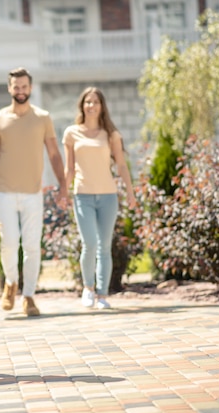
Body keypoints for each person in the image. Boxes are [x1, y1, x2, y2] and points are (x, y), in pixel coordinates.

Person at [0, 67, 67, 316]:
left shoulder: (42, 118)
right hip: (3, 190)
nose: (20, 91)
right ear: (9, 89)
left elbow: (54, 154)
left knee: (31, 245)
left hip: (33, 192)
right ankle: (11, 283)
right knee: (9, 243)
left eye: (24, 86)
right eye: (15, 87)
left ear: (30, 88)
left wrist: (63, 186)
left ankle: (29, 295)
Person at [61, 87, 137, 309]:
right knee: (90, 243)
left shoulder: (111, 135)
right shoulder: (71, 133)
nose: (91, 106)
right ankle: (88, 288)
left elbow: (121, 165)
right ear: (82, 106)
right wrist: (64, 192)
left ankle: (102, 295)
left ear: (102, 106)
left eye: (95, 102)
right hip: (82, 195)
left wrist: (130, 193)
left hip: (108, 196)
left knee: (104, 246)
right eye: (87, 102)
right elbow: (69, 169)